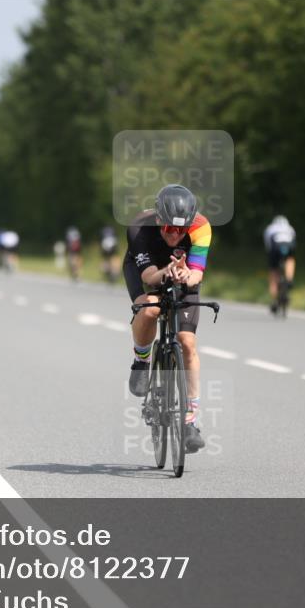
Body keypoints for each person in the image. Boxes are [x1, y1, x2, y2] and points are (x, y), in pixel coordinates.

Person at [124, 184, 212, 454]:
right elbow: (149, 277)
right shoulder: (140, 227)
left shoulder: (200, 227)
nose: (175, 235)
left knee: (187, 343)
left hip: (181, 273)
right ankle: (142, 359)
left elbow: (198, 273)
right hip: (149, 270)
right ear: (159, 219)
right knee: (150, 308)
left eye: (180, 230)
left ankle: (190, 421)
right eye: (169, 229)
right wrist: (166, 272)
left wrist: (187, 275)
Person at [264, 214, 296, 314]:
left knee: (273, 272)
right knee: (290, 259)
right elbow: (294, 240)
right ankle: (289, 279)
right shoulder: (290, 228)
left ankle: (274, 299)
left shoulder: (270, 228)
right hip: (289, 245)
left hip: (275, 247)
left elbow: (268, 245)